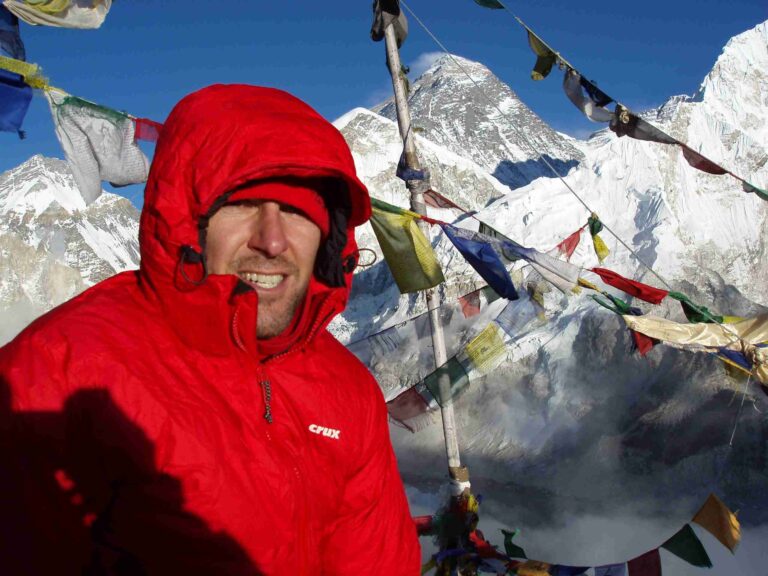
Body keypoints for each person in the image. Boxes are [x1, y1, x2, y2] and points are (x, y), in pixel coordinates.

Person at [0, 85, 420, 575]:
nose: (272, 240)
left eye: (297, 211)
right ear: (188, 222)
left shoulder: (348, 392)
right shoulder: (55, 376)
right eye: (242, 205)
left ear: (329, 239)